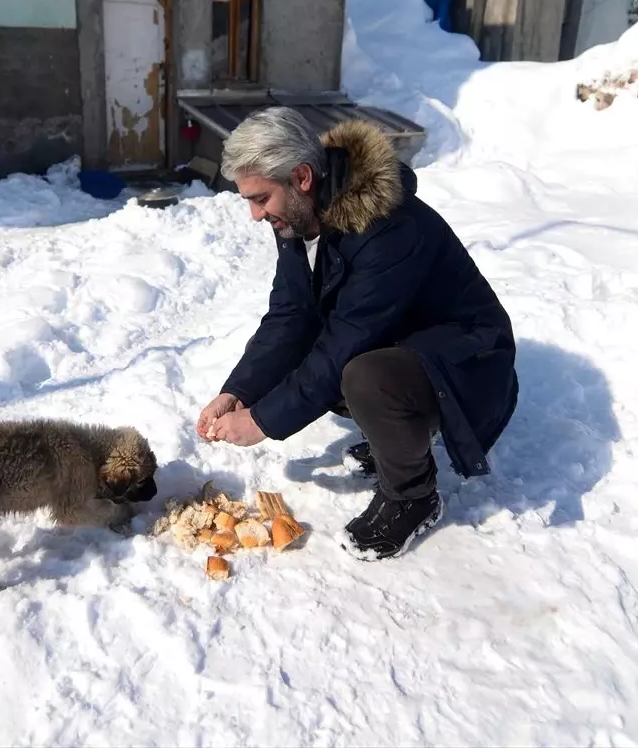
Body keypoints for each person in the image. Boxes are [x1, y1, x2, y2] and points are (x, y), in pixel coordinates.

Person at [196, 107, 518, 560]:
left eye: (260, 198)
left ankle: (414, 496)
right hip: (407, 341)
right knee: (329, 363)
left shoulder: (389, 229)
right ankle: (398, 437)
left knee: (362, 376)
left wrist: (264, 420)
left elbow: (345, 342)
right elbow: (289, 316)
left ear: (302, 177)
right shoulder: (295, 216)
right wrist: (239, 390)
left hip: (469, 361)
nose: (254, 214)